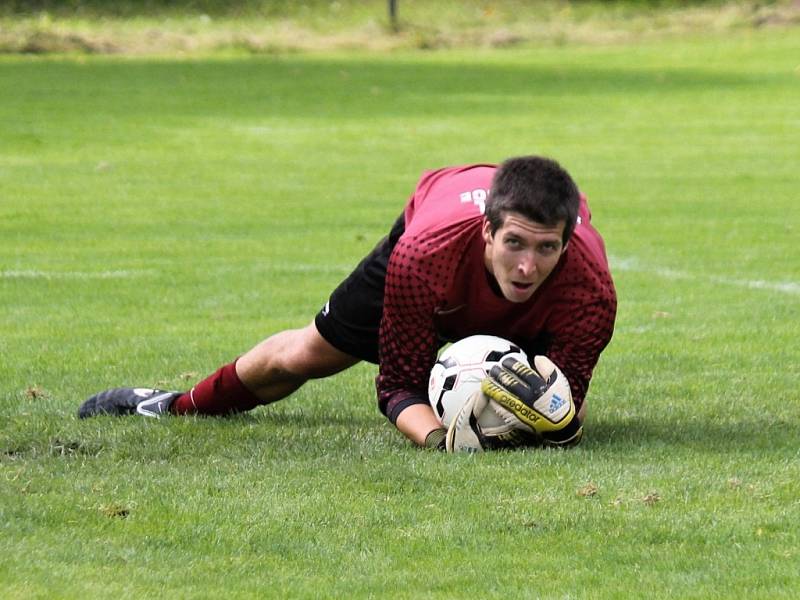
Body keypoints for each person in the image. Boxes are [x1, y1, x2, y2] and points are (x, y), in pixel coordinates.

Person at [79, 156, 617, 452]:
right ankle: (172, 404)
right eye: (514, 244)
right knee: (303, 357)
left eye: (546, 248)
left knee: (542, 392)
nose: (528, 266)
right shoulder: (421, 256)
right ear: (486, 232)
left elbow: (567, 409)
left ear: (567, 243)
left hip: (492, 272)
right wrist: (441, 442)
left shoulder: (590, 291)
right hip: (431, 240)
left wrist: (553, 421)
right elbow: (399, 386)